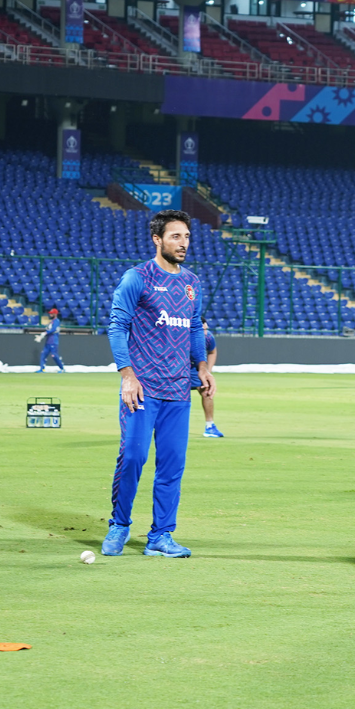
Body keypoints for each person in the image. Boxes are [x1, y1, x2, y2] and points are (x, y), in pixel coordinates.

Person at [101, 209, 213, 559]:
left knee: (172, 465)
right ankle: (119, 525)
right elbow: (117, 326)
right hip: (142, 387)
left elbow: (195, 328)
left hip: (178, 390)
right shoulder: (138, 278)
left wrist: (202, 367)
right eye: (175, 236)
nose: (183, 243)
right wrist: (127, 375)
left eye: (187, 237)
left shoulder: (192, 283)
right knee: (133, 456)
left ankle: (161, 536)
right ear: (157, 239)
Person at [192, 317, 222, 437]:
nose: (205, 333)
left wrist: (207, 371)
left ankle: (210, 426)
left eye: (206, 329)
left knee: (207, 392)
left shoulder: (208, 337)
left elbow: (212, 352)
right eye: (202, 330)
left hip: (198, 368)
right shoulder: (181, 337)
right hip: (179, 368)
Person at [35, 307, 65, 373]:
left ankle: (62, 368)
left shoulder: (57, 321)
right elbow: (49, 330)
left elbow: (53, 330)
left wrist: (45, 333)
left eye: (52, 314)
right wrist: (41, 336)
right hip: (48, 341)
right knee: (43, 355)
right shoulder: (51, 322)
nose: (50, 315)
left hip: (53, 341)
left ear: (55, 314)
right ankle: (42, 369)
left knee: (54, 355)